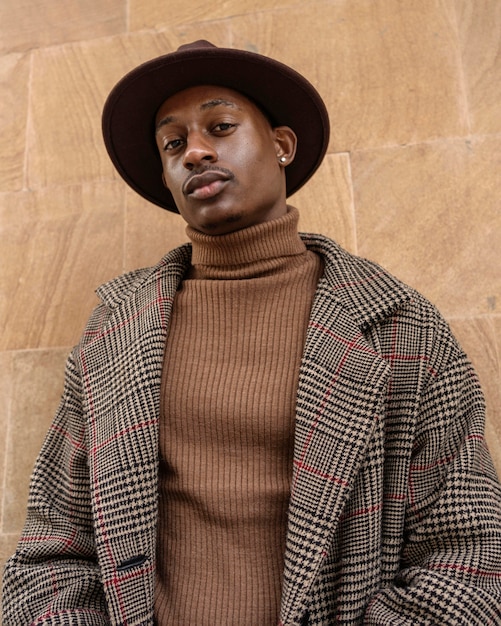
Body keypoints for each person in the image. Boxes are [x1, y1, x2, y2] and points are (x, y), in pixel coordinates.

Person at [2, 40, 501, 626]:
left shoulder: (395, 326)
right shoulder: (117, 329)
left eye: (220, 126)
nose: (195, 152)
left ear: (282, 146)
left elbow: (468, 552)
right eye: (173, 143)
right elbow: (55, 545)